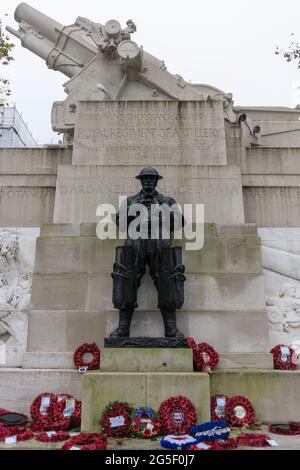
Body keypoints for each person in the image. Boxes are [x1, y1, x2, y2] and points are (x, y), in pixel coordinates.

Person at [110, 167, 186, 338]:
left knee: (167, 283)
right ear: (140, 181)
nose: (148, 182)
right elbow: (118, 222)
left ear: (157, 181)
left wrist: (163, 215)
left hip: (160, 243)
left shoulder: (167, 201)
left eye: (152, 179)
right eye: (145, 179)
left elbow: (180, 222)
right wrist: (134, 212)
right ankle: (123, 328)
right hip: (135, 244)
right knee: (126, 282)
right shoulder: (130, 201)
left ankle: (171, 328)